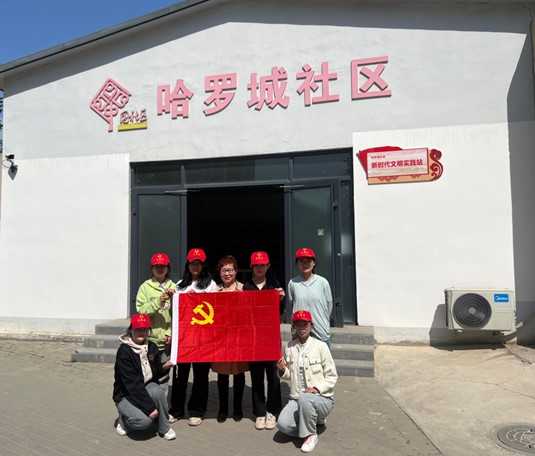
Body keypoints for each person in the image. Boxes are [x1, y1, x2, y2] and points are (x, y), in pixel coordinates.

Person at [276, 310, 338, 453]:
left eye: (305, 324)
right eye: (298, 324)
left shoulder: (321, 346)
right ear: (294, 327)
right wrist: (282, 370)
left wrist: (316, 388)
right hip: (297, 399)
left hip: (321, 398)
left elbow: (332, 376)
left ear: (311, 326)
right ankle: (312, 421)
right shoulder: (290, 346)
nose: (302, 328)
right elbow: (289, 375)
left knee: (305, 398)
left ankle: (311, 435)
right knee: (283, 425)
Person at [169, 248, 217, 427]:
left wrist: (198, 299)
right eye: (192, 263)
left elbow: (215, 308)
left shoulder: (211, 285)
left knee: (200, 375)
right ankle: (176, 410)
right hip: (184, 337)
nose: (195, 266)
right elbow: (175, 312)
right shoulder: (180, 285)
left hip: (203, 338)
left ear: (204, 266)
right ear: (187, 265)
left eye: (199, 263)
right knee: (179, 375)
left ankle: (197, 411)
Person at [113, 313, 176, 440]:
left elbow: (155, 373)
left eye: (144, 329)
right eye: (137, 329)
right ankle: (124, 422)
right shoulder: (124, 352)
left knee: (157, 390)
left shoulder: (152, 347)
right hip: (126, 394)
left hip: (145, 388)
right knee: (144, 422)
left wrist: (164, 367)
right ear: (130, 330)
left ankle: (164, 428)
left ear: (148, 330)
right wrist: (150, 408)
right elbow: (132, 385)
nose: (141, 332)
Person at [243, 251, 286, 430]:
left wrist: (281, 299)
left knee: (273, 377)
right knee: (256, 376)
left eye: (262, 265)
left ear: (268, 266)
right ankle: (259, 412)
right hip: (254, 339)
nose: (259, 268)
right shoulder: (246, 287)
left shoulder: (274, 285)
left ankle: (273, 411)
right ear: (251, 267)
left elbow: (280, 312)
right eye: (256, 265)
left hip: (271, 338)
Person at [211, 255, 248, 423]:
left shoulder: (244, 289)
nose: (227, 273)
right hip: (221, 339)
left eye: (230, 270)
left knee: (239, 373)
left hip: (239, 339)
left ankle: (238, 407)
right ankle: (223, 408)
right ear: (219, 272)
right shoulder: (214, 291)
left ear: (236, 271)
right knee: (222, 374)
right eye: (223, 270)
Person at [135, 253, 175, 383]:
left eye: (163, 266)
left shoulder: (174, 287)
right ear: (152, 268)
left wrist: (170, 332)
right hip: (149, 341)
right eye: (157, 266)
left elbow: (177, 315)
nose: (160, 269)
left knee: (163, 378)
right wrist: (158, 302)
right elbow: (141, 311)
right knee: (147, 375)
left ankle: (162, 397)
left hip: (166, 343)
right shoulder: (145, 287)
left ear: (168, 268)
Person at [287, 248, 333, 347]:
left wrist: (323, 319)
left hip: (320, 329)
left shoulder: (322, 282)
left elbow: (329, 305)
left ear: (314, 263)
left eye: (308, 261)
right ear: (297, 263)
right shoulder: (293, 283)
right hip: (300, 330)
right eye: (301, 261)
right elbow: (292, 304)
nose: (305, 264)